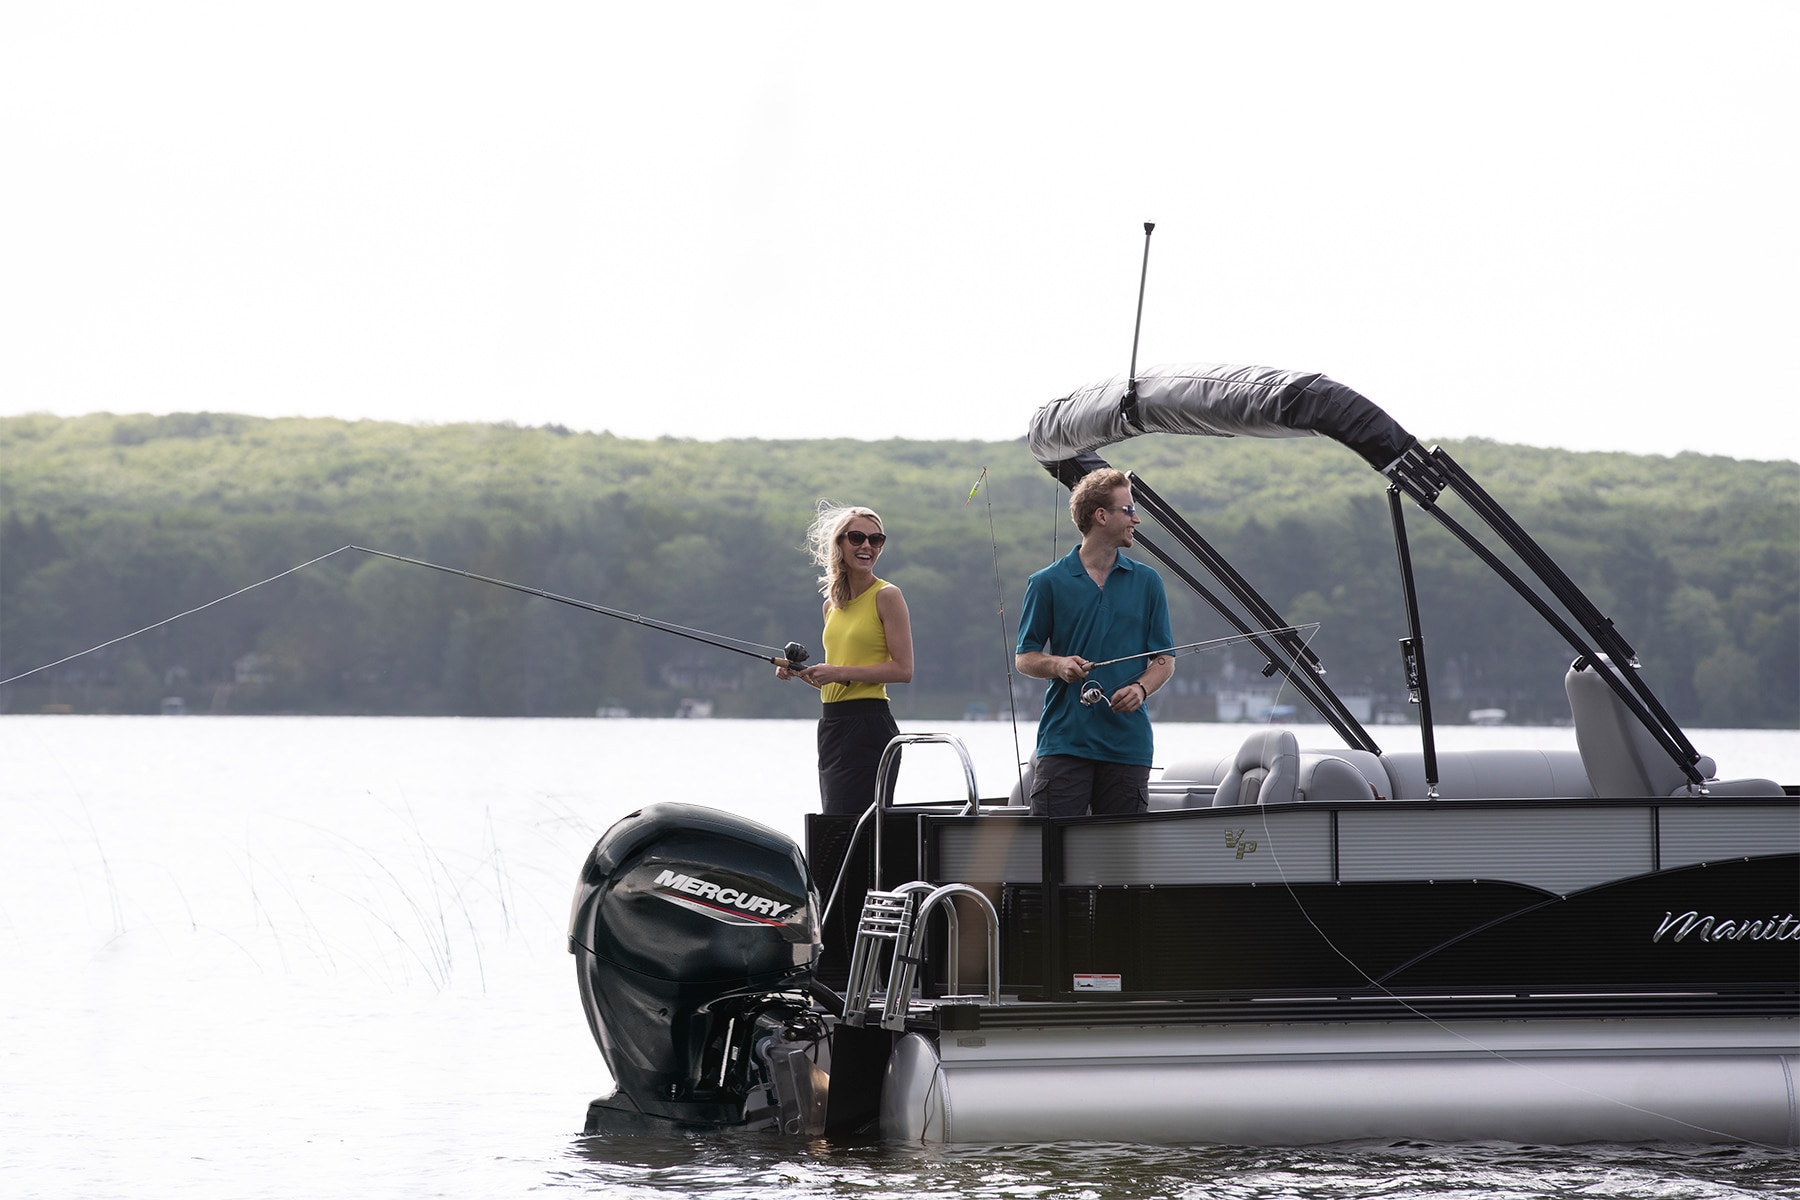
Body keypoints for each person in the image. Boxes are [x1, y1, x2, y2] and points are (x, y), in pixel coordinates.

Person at [1015, 469, 1173, 816]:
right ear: (1102, 516)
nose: (1137, 519)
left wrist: (1142, 690)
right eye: (1129, 510)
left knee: (1120, 868)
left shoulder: (1148, 582)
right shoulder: (1046, 582)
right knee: (1052, 863)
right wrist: (1059, 665)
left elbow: (1164, 659)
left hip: (1128, 747)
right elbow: (1024, 658)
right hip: (1064, 744)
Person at [777, 502, 914, 815]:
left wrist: (836, 671)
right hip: (832, 726)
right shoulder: (831, 606)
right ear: (838, 543)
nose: (867, 546)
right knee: (834, 826)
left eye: (876, 540)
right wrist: (804, 673)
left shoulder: (887, 595)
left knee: (861, 830)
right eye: (857, 538)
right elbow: (841, 682)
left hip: (870, 727)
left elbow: (903, 670)